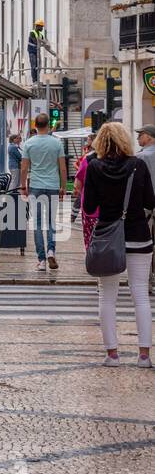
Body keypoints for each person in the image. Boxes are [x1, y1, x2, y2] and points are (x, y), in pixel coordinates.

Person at [82, 121, 153, 367]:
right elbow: (150, 201)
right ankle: (144, 355)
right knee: (140, 295)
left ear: (100, 142)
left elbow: (89, 207)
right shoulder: (138, 165)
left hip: (107, 238)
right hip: (138, 236)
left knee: (107, 297)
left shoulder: (94, 167)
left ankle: (112, 354)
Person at [20, 113, 67, 271]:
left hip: (36, 186)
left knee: (38, 224)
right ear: (48, 125)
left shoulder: (29, 144)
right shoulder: (56, 143)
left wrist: (23, 186)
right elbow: (62, 167)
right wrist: (63, 187)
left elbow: (24, 168)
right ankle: (51, 251)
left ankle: (41, 260)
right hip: (53, 185)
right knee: (51, 221)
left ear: (35, 125)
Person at [27, 18, 57, 84]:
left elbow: (46, 47)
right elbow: (36, 41)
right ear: (37, 26)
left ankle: (37, 80)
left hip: (37, 52)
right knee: (34, 66)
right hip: (32, 51)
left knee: (39, 67)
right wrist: (44, 42)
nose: (42, 28)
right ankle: (34, 81)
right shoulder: (32, 33)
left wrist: (53, 53)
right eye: (41, 26)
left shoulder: (41, 35)